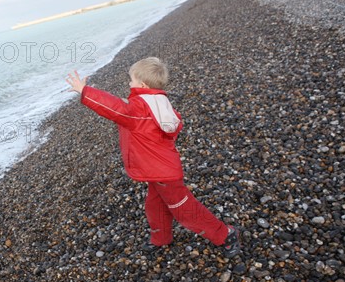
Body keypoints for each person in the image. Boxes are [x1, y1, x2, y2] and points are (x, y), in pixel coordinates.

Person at [64, 57, 241, 258]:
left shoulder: (139, 111)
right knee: (155, 205)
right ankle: (161, 238)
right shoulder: (157, 102)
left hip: (163, 172)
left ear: (143, 84)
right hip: (157, 169)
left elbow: (116, 109)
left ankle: (226, 234)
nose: (129, 84)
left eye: (131, 80)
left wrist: (85, 91)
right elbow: (129, 108)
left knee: (184, 209)